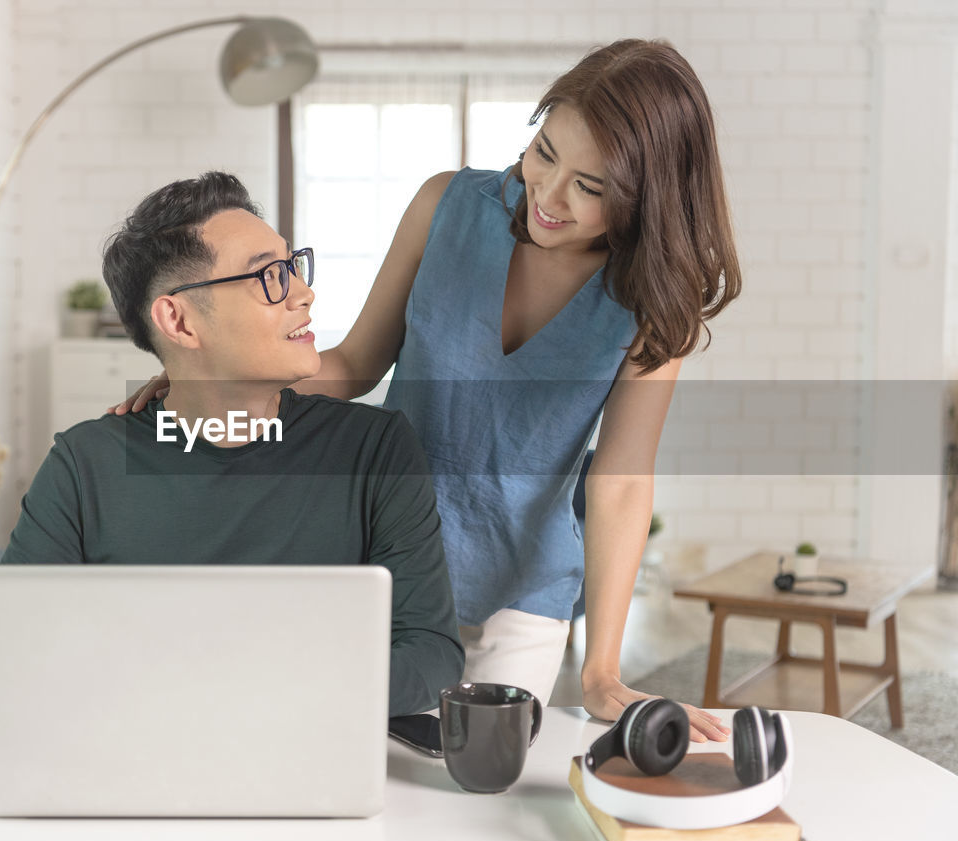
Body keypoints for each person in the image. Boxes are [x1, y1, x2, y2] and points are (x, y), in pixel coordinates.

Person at [115, 40, 740, 742]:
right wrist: (216, 375)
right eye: (545, 152)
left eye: (591, 187)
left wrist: (600, 672)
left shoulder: (654, 296)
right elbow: (352, 362)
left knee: (479, 787)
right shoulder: (447, 205)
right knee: (348, 763)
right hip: (390, 561)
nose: (550, 195)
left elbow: (621, 482)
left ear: (648, 196)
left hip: (524, 593)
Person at [0, 172, 464, 717]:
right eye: (269, 275)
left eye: (292, 267)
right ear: (178, 320)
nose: (303, 293)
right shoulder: (85, 466)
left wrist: (253, 689)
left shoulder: (375, 449)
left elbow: (431, 654)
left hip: (311, 757)